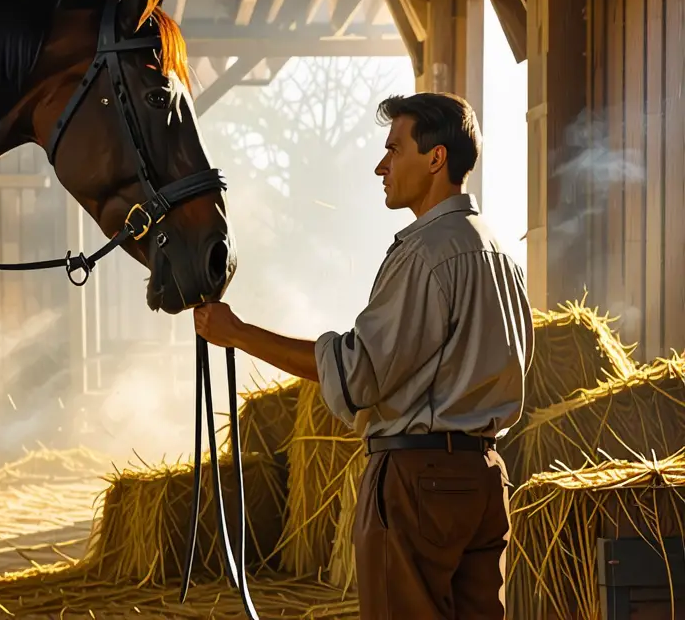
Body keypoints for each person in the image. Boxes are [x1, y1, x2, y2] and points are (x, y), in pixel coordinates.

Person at [194, 92, 533, 620]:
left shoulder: (424, 254)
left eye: (394, 150)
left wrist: (238, 332)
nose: (381, 166)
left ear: (436, 158)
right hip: (486, 478)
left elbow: (355, 377)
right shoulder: (500, 255)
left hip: (417, 482)